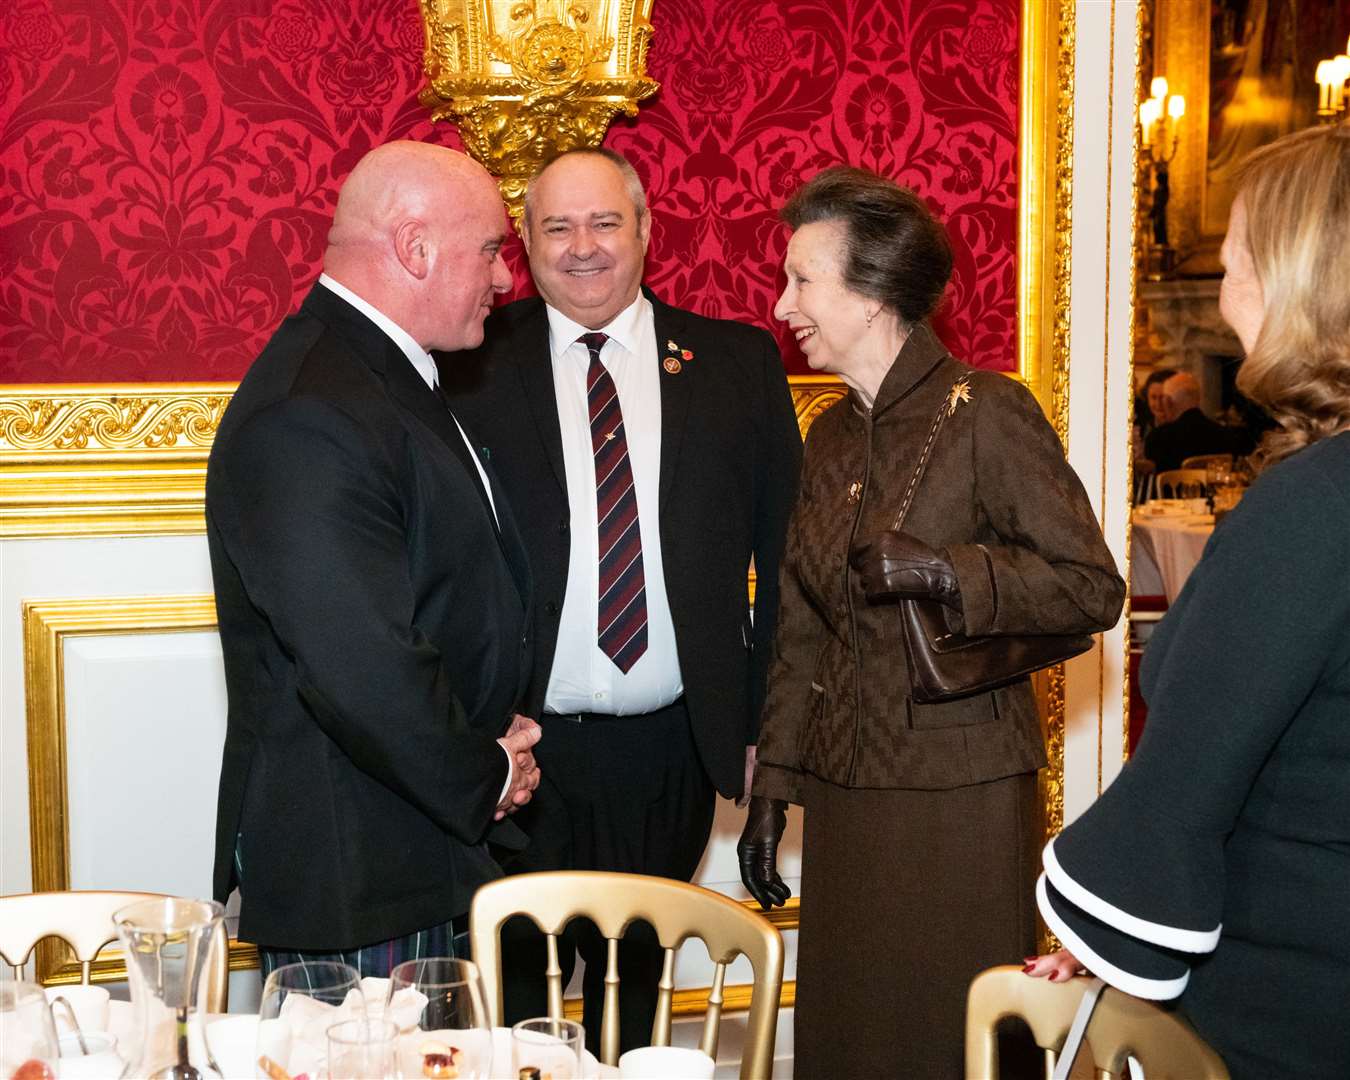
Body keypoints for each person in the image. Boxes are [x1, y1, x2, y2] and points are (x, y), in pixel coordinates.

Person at [737, 166, 1124, 1079]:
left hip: (961, 793)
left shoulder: (988, 409)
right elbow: (802, 627)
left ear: (872, 297)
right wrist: (773, 788)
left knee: (953, 1036)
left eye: (803, 279)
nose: (784, 301)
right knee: (853, 1035)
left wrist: (950, 571)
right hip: (842, 789)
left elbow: (1090, 587)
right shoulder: (829, 434)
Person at [444, 148, 802, 1052]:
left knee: (634, 998)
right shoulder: (470, 366)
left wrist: (770, 726)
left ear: (645, 231)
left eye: (605, 222)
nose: (583, 248)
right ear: (523, 245)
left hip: (673, 747)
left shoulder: (734, 364)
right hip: (520, 749)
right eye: (556, 227)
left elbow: (787, 558)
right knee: (515, 1000)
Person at [1026, 122, 1350, 1080]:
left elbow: (1191, 779)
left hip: (1285, 997)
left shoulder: (1317, 502)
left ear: (1298, 279)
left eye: (1240, 256)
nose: (1225, 288)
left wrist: (1100, 952)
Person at [206, 141, 542, 976]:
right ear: (416, 248)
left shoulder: (377, 376)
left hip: (414, 845)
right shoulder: (311, 408)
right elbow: (361, 663)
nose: (506, 281)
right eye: (493, 250)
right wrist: (485, 771)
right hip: (360, 865)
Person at [1142, 371, 1240, 472]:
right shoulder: (1228, 435)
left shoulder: (1157, 439)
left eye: (1162, 398)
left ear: (1169, 401)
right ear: (1198, 399)